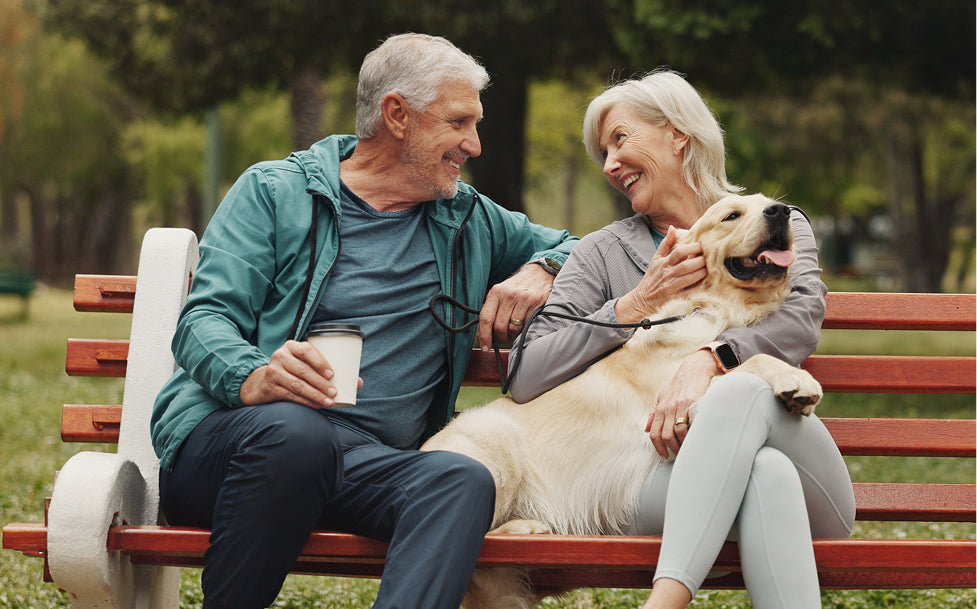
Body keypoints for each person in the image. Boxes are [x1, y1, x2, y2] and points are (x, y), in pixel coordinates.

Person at [150, 33, 578, 609]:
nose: (474, 145)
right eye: (459, 123)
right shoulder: (275, 193)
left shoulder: (469, 219)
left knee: (458, 479)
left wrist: (543, 268)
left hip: (365, 466)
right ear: (397, 115)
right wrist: (255, 375)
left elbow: (580, 246)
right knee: (297, 438)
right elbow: (205, 320)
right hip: (240, 446)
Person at [507, 69, 855, 609]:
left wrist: (710, 359)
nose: (609, 164)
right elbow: (527, 372)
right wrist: (636, 304)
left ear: (678, 135)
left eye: (621, 139)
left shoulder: (777, 222)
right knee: (763, 475)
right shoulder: (601, 252)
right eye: (603, 151)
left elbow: (801, 316)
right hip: (661, 477)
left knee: (743, 389)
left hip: (798, 461)